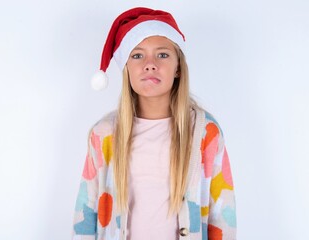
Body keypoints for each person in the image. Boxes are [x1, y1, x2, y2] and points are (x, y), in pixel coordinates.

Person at [72, 7, 236, 240]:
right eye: (137, 55)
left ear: (178, 67)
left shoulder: (205, 133)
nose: (150, 64)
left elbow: (222, 214)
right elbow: (85, 212)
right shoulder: (105, 134)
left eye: (162, 54)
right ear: (126, 68)